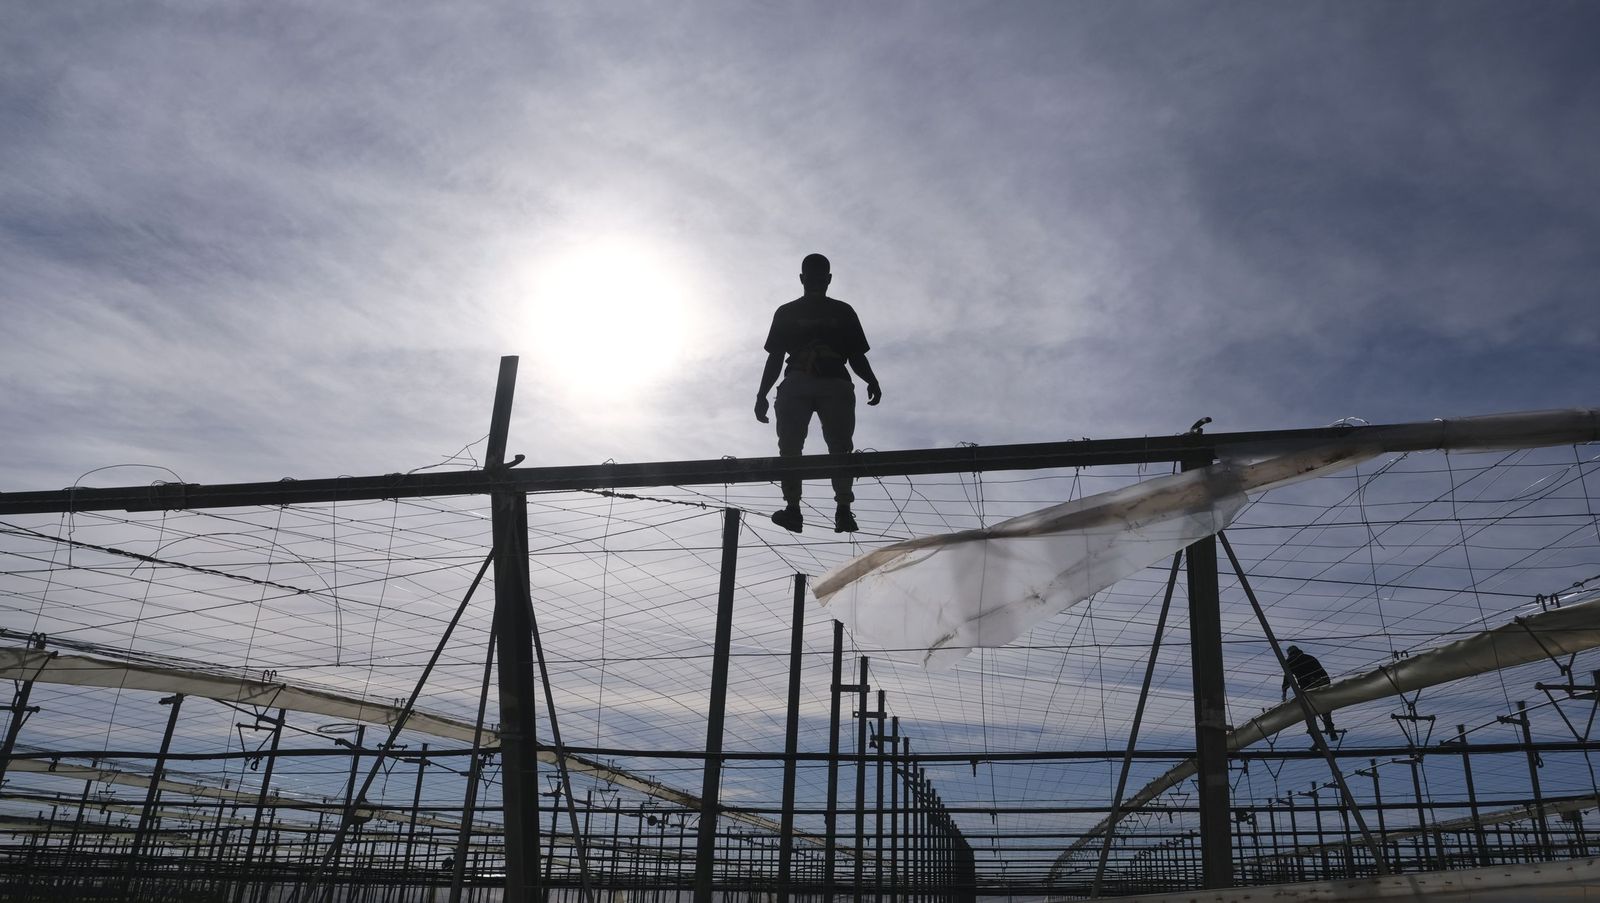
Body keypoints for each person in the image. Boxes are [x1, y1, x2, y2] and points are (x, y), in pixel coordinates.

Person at [755, 253, 882, 534]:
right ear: (828, 279)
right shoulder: (842, 311)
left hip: (800, 380)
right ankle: (843, 510)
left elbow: (775, 358)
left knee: (791, 448)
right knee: (839, 448)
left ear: (802, 279)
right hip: (834, 380)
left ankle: (794, 509)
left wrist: (762, 394)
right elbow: (856, 355)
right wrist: (870, 380)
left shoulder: (787, 312)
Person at [1282, 645, 1338, 736]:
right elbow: (1322, 672)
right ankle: (1329, 726)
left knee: (1307, 709)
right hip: (1322, 683)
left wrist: (1284, 691)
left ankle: (1314, 733)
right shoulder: (1309, 657)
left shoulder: (1290, 661)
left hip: (1308, 686)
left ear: (1289, 654)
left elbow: (1287, 678)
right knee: (1324, 705)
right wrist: (1326, 683)